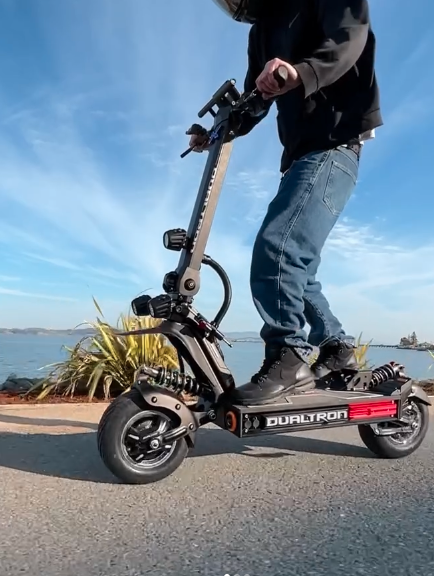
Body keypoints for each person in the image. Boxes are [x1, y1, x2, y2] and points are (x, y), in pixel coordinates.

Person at [189, 0, 382, 405]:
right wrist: (216, 131)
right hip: (300, 157)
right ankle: (336, 347)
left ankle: (289, 357)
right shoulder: (260, 33)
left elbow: (350, 37)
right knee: (298, 270)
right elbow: (254, 99)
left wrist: (301, 71)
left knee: (279, 248)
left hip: (335, 143)